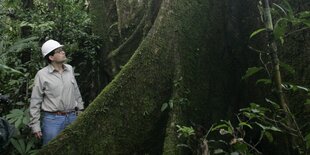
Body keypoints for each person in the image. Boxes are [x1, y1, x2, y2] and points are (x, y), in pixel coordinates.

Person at [29, 39, 84, 145]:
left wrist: (80, 110)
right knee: (52, 149)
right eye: (59, 51)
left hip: (72, 116)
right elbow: (35, 101)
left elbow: (76, 91)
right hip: (52, 120)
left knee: (74, 148)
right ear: (51, 57)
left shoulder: (69, 69)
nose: (63, 52)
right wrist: (35, 126)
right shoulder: (42, 75)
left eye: (62, 50)